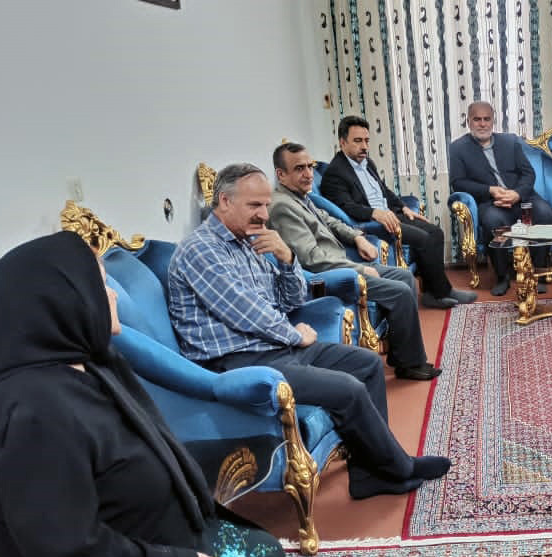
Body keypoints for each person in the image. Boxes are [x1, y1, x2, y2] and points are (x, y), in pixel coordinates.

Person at [0, 232, 323, 557]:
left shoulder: (88, 365)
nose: (112, 295)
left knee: (263, 550)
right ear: (63, 300)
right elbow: (67, 551)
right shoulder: (30, 416)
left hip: (144, 552)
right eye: (99, 284)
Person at [167, 163, 451, 500]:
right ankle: (398, 468)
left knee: (367, 365)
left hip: (272, 347)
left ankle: (369, 472)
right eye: (254, 205)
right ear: (225, 201)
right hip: (238, 363)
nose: (264, 214)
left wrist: (287, 259)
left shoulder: (249, 241)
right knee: (348, 389)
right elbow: (245, 311)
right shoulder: (201, 250)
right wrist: (293, 334)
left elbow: (292, 298)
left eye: (266, 204)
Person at [268, 143, 444, 377]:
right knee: (400, 291)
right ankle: (411, 365)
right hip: (329, 275)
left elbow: (330, 221)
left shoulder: (300, 196)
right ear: (281, 174)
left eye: (309, 167)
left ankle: (402, 356)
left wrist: (357, 237)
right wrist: (358, 269)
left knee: (404, 276)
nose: (309, 174)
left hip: (342, 262)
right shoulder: (282, 206)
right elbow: (312, 259)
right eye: (299, 169)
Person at [319, 116, 477, 308]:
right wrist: (374, 213)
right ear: (342, 142)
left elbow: (384, 191)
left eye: (367, 141)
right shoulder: (335, 172)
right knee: (424, 239)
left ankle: (433, 292)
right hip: (373, 223)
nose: (364, 147)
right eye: (358, 141)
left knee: (436, 232)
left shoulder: (367, 162)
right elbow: (345, 207)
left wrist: (403, 207)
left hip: (390, 214)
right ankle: (441, 293)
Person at [448, 100, 552, 296]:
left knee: (545, 213)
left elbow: (528, 173)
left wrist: (517, 194)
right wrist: (490, 190)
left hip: (521, 198)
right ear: (468, 121)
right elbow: (458, 183)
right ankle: (502, 277)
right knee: (492, 221)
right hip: (492, 202)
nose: (482, 124)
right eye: (477, 119)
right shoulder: (458, 148)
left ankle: (538, 273)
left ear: (493, 121)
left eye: (487, 119)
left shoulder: (510, 141)